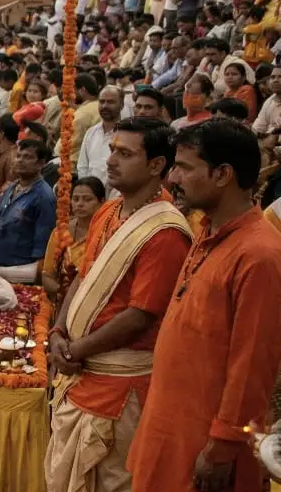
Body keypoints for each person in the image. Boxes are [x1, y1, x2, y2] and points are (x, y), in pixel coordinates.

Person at [128, 119, 281, 491]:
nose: (172, 178)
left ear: (222, 174)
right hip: (168, 429)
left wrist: (222, 447)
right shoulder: (206, 232)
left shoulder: (260, 254)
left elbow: (253, 366)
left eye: (184, 167)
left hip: (205, 448)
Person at [44, 118, 192, 492]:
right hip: (80, 374)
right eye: (112, 150)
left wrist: (76, 348)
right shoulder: (108, 212)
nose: (111, 160)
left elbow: (140, 315)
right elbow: (82, 275)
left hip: (121, 389)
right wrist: (59, 332)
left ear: (157, 165)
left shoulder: (166, 232)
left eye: (125, 154)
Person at [0, 139, 57, 284]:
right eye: (19, 156)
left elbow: (42, 255)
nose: (20, 160)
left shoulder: (44, 197)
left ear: (41, 164)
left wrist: (2, 272)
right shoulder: (12, 187)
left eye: (28, 157)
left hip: (21, 279)